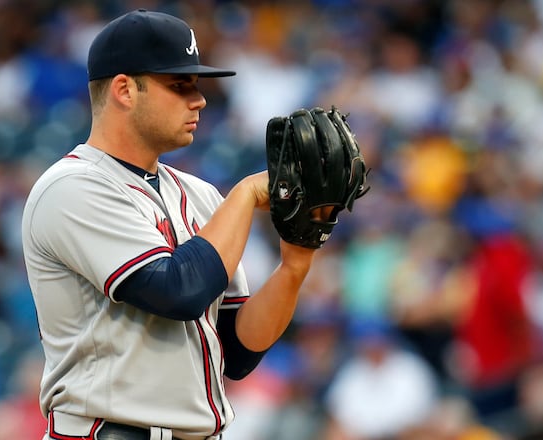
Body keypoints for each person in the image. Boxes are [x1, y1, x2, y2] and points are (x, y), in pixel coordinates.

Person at [21, 9, 325, 440]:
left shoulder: (200, 194)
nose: (198, 99)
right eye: (179, 86)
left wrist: (295, 264)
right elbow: (176, 291)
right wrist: (244, 195)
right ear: (125, 89)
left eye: (196, 86)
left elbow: (236, 351)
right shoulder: (71, 188)